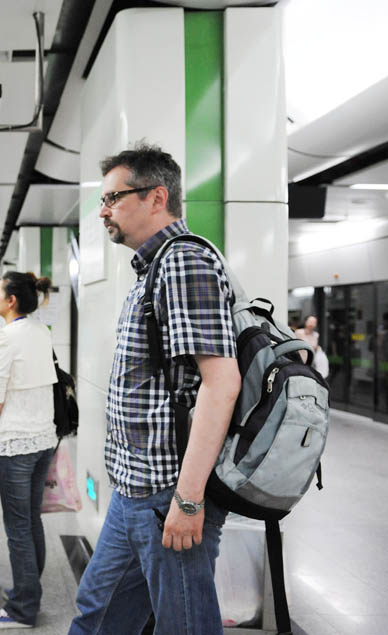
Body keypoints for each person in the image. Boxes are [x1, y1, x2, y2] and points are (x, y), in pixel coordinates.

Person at [69, 143, 240, 635]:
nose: (103, 211)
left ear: (156, 196)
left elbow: (220, 383)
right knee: (96, 616)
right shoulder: (154, 268)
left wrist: (188, 501)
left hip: (168, 494)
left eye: (113, 198)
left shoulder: (183, 263)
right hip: (134, 491)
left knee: (183, 626)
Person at [0, 271, 58, 629]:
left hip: (14, 443)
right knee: (31, 519)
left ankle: (23, 607)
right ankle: (29, 590)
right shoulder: (41, 332)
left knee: (18, 527)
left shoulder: (3, 339)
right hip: (44, 440)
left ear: (11, 301)